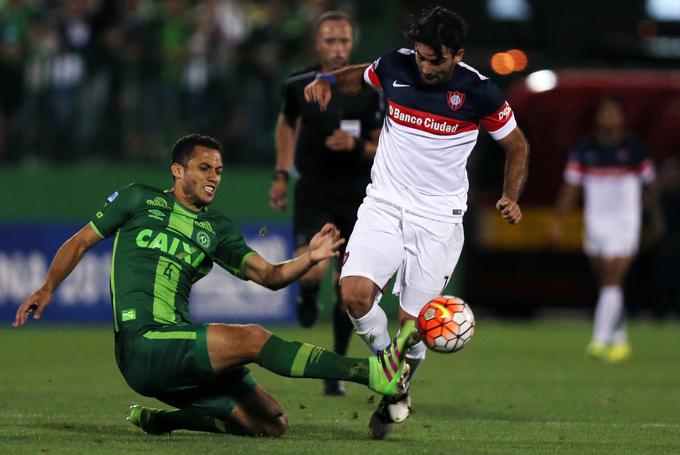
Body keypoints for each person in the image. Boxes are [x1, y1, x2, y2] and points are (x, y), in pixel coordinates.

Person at [13, 134, 416, 437]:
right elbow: (81, 240)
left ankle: (164, 421)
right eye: (205, 168)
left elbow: (269, 276)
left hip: (178, 348)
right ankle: (370, 372)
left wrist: (307, 259)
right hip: (143, 343)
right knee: (253, 338)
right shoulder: (138, 200)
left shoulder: (217, 229)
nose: (214, 178)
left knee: (271, 425)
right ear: (178, 170)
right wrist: (47, 287)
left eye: (219, 171)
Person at [304, 6, 529, 439]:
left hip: (439, 219)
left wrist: (510, 196)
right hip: (384, 204)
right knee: (353, 294)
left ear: (457, 54)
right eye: (422, 57)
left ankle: (394, 387)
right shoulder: (395, 65)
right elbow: (361, 76)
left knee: (414, 325)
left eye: (436, 60)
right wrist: (329, 80)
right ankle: (396, 380)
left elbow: (517, 147)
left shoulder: (481, 93)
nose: (425, 66)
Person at [268, 11, 382, 396]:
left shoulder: (370, 89)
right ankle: (306, 292)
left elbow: (383, 143)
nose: (338, 48)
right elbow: (285, 124)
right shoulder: (299, 84)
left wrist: (357, 146)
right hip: (314, 189)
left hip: (357, 196)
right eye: (330, 41)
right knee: (314, 270)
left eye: (344, 41)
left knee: (347, 287)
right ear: (318, 44)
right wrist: (281, 174)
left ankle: (336, 368)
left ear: (353, 45)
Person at [551, 97, 661, 362]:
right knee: (608, 283)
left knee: (613, 277)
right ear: (598, 117)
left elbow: (650, 188)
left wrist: (656, 218)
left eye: (613, 113)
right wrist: (558, 220)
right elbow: (571, 187)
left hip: (626, 222)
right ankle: (620, 338)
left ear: (621, 118)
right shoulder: (585, 148)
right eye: (604, 113)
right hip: (596, 222)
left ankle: (599, 340)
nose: (608, 118)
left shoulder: (634, 150)